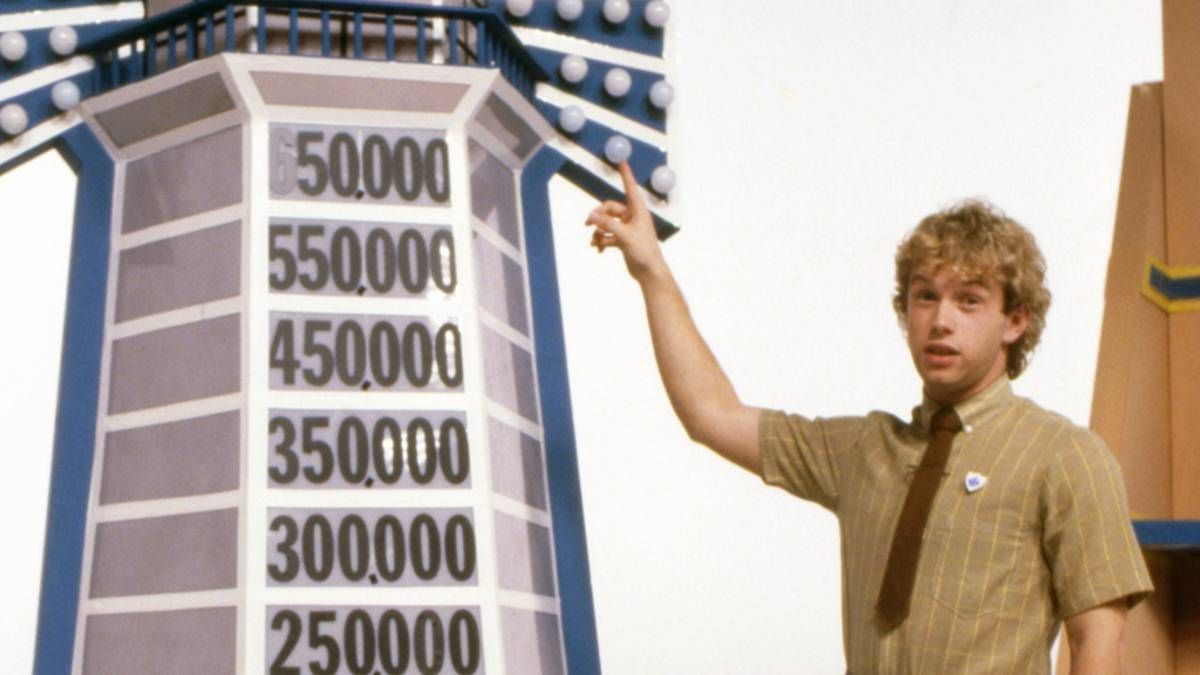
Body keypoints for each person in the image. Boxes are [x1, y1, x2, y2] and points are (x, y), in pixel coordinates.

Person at [584, 162, 1153, 674]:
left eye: (969, 300)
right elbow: (712, 414)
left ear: (1015, 321)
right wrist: (651, 269)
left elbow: (1099, 640)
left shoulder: (1065, 456)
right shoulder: (865, 449)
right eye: (925, 297)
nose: (941, 321)